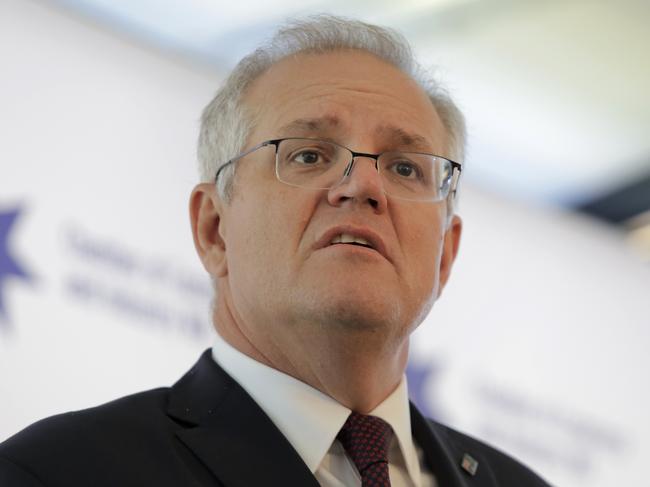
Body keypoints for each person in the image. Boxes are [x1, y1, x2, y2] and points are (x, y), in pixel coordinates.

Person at [0, 15, 549, 487]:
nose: (362, 186)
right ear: (215, 229)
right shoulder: (59, 472)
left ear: (445, 256)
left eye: (405, 168)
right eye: (309, 155)